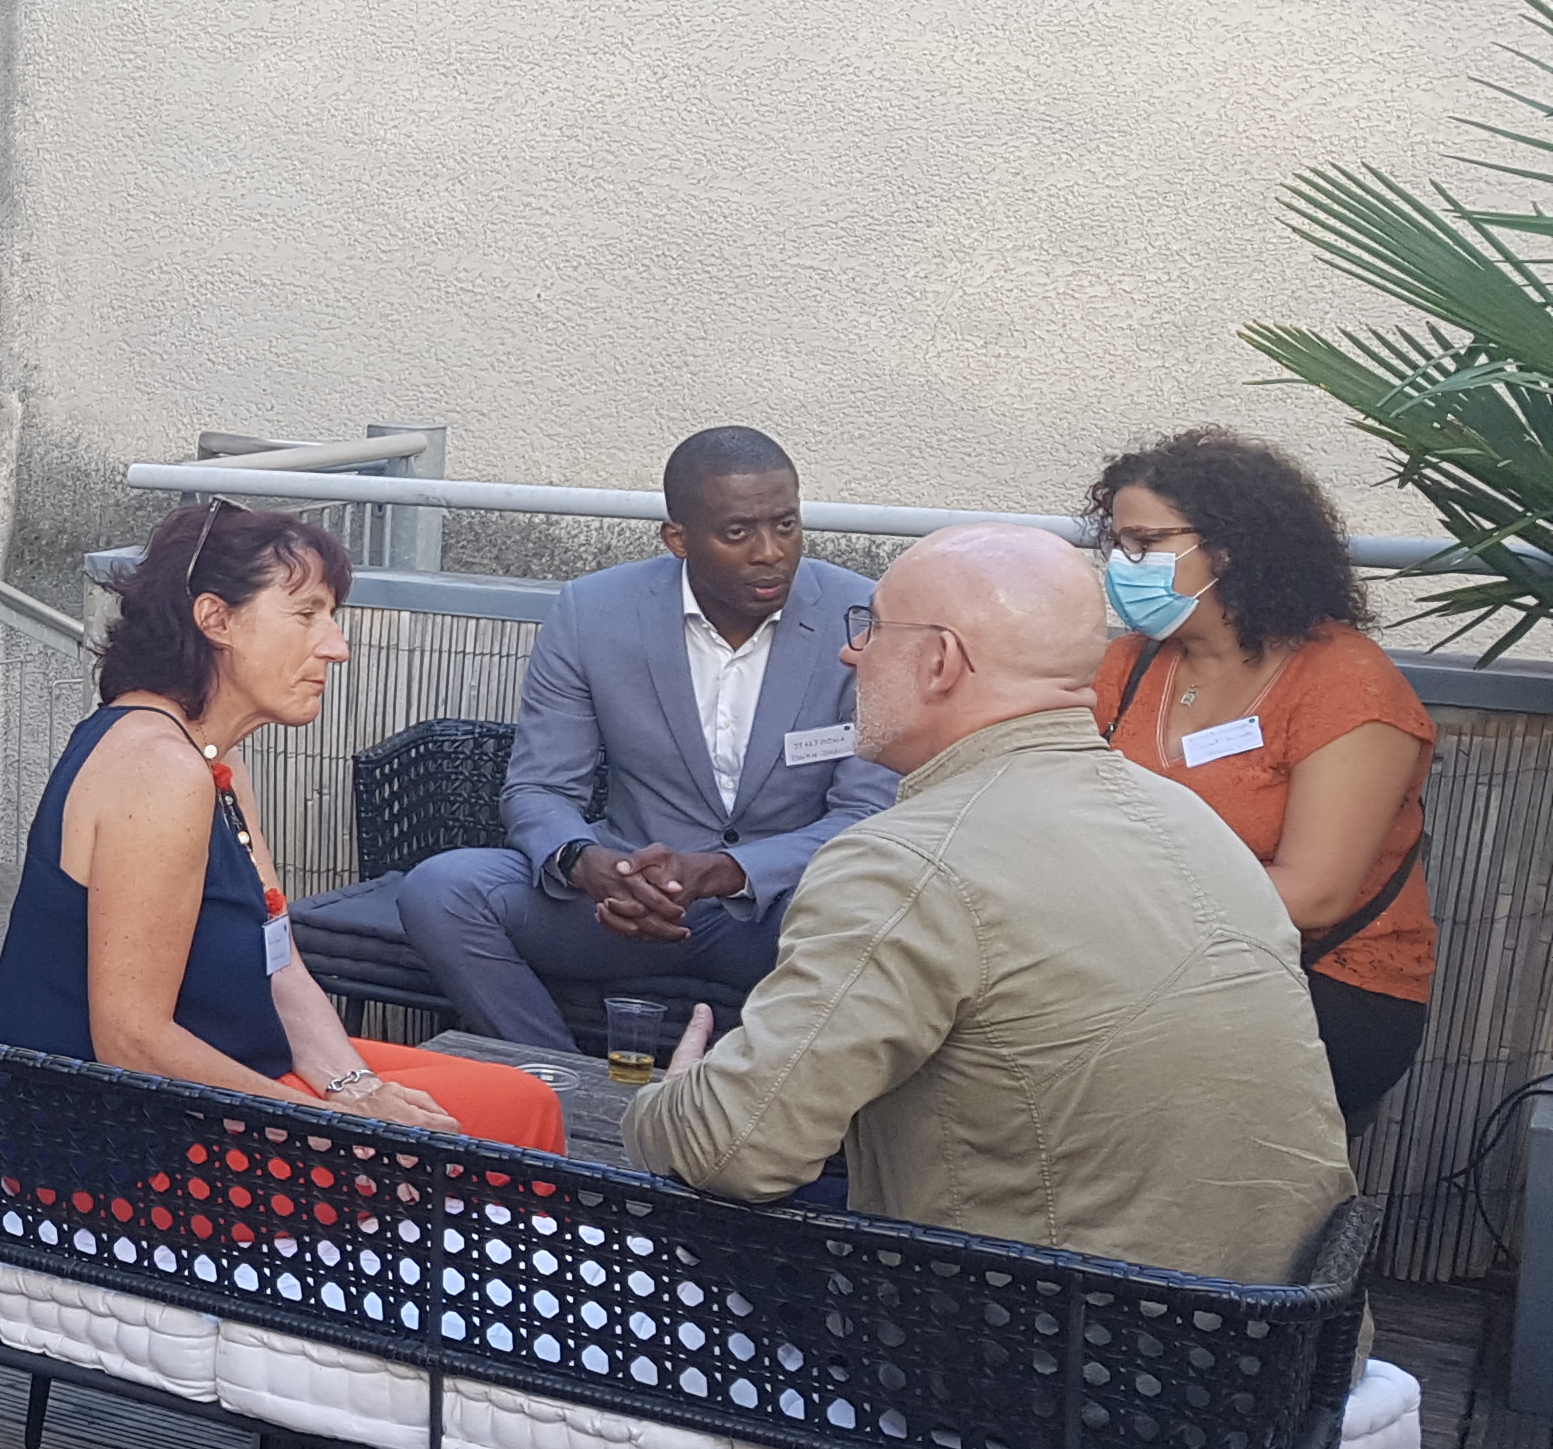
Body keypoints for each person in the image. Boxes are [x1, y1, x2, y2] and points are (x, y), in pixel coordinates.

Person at [622, 525, 1354, 1284]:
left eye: (870, 628)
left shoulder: (905, 862)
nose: (852, 654)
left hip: (1037, 1363)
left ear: (938, 662)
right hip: (1276, 1352)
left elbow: (736, 1151)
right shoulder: (1190, 817)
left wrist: (668, 1106)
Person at [0, 503, 568, 1151]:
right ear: (216, 619)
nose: (336, 646)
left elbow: (278, 958)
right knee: (522, 1112)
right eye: (306, 614)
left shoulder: (212, 759)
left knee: (510, 1094)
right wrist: (328, 1125)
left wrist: (351, 1087)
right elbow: (132, 1041)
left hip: (204, 1094)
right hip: (115, 1147)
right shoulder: (160, 770)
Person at [398, 427, 892, 1050]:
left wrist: (726, 871)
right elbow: (540, 787)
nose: (771, 552)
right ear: (678, 538)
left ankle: (767, 1120)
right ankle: (563, 1095)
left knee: (882, 926)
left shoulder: (863, 614)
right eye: (738, 532)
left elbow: (866, 814)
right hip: (620, 904)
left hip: (781, 916)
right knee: (443, 891)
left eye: (787, 525)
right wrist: (585, 863)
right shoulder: (594, 611)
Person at [1087, 428, 1437, 1129]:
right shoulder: (1130, 664)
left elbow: (1314, 895)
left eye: (1145, 544)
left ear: (1231, 546)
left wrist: (1113, 898)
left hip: (1323, 984)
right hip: (1150, 959)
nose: (1124, 565)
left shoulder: (1347, 685)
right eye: (1118, 545)